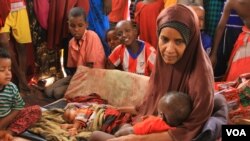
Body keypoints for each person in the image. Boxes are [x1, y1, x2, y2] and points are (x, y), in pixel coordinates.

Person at [106, 4, 214, 141]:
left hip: (173, 136)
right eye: (165, 39)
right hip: (154, 127)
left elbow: (190, 129)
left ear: (191, 41)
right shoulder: (162, 63)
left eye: (179, 41)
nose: (169, 49)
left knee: (98, 137)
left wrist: (134, 138)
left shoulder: (201, 75)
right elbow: (151, 104)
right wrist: (117, 108)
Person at [44, 7, 106, 99]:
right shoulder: (71, 42)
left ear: (86, 25)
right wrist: (73, 80)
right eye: (72, 26)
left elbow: (89, 68)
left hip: (92, 78)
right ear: (68, 25)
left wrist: (74, 83)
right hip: (79, 76)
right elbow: (73, 68)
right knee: (48, 91)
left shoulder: (92, 36)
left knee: (57, 93)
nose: (76, 29)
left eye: (80, 25)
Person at [89, 91, 192, 141]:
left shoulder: (154, 123)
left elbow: (129, 132)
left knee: (95, 135)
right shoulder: (176, 130)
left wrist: (118, 135)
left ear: (161, 116)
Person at [0, 47, 41, 136]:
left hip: (8, 120)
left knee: (36, 110)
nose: (8, 73)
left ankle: (8, 133)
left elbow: (18, 107)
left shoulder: (12, 87)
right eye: (2, 70)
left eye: (9, 69)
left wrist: (4, 122)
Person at [0, 0, 32, 93]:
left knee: (21, 46)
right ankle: (22, 80)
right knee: (3, 42)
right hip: (2, 8)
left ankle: (22, 82)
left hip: (19, 7)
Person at [210, 0, 247, 79]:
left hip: (244, 38)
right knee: (220, 72)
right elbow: (220, 27)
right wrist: (214, 53)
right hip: (228, 37)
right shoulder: (230, 2)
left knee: (240, 74)